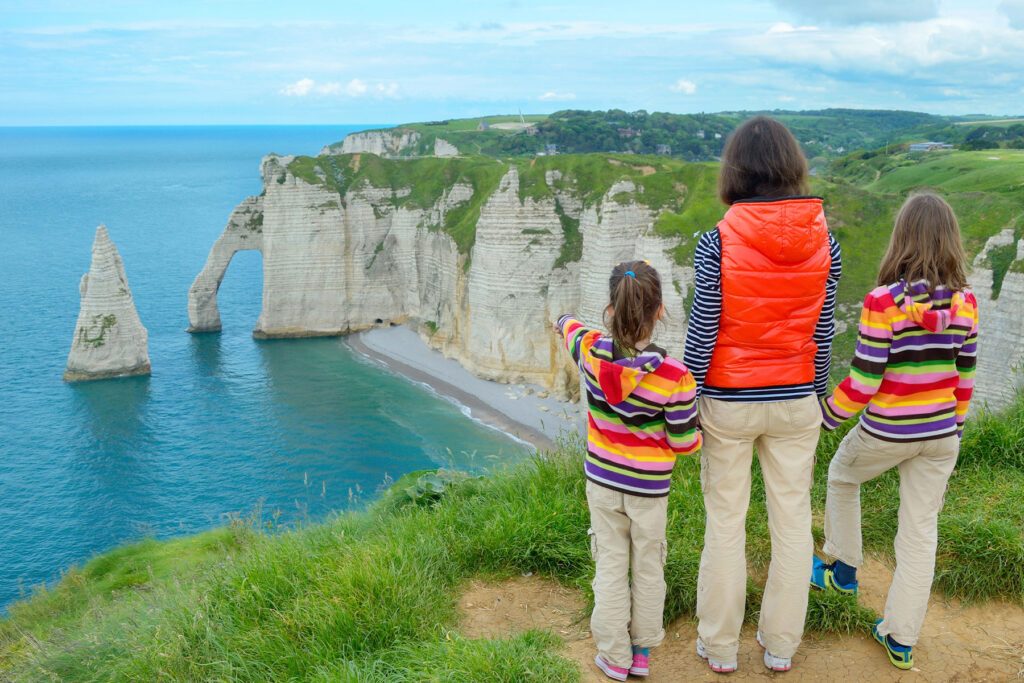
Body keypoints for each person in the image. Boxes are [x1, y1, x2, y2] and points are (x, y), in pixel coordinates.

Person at [683, 115, 842, 674]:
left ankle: (720, 647)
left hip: (729, 398)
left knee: (726, 521)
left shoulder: (717, 241)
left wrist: (688, 397)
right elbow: (822, 331)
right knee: (793, 521)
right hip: (797, 396)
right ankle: (780, 647)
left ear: (736, 171)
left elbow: (704, 328)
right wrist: (820, 394)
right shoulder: (827, 241)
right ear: (791, 166)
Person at [811, 192, 978, 671]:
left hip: (887, 430)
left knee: (843, 476)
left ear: (901, 238)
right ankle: (901, 637)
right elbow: (964, 378)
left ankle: (843, 568)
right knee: (920, 533)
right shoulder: (967, 304)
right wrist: (956, 432)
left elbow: (864, 382)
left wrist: (825, 416)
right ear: (951, 242)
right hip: (941, 433)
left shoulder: (883, 302)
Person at [555, 260, 702, 681]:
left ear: (610, 309)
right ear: (659, 312)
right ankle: (640, 653)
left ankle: (613, 656)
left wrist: (563, 319)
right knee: (649, 565)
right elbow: (683, 443)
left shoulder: (590, 351)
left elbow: (568, 327)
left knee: (611, 565)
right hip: (649, 491)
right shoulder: (676, 376)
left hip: (602, 483)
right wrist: (699, 437)